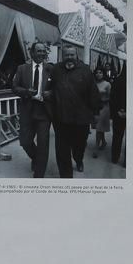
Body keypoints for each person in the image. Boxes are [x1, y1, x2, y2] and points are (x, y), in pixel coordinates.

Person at [49, 45, 101, 177]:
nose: (69, 58)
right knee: (62, 149)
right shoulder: (56, 70)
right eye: (67, 55)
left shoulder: (85, 70)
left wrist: (96, 113)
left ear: (76, 56)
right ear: (63, 56)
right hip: (61, 117)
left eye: (72, 55)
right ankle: (66, 177)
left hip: (81, 118)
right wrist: (49, 93)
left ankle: (78, 159)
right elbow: (49, 87)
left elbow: (93, 93)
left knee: (79, 144)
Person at [11, 42, 52, 178]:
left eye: (43, 51)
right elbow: (15, 87)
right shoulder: (22, 69)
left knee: (43, 144)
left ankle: (39, 174)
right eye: (38, 51)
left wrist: (51, 93)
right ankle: (35, 157)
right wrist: (26, 92)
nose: (41, 54)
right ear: (32, 53)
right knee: (25, 141)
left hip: (44, 111)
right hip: (27, 109)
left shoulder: (50, 69)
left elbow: (58, 87)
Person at [110, 61, 127, 165]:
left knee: (117, 137)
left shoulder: (117, 80)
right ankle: (125, 161)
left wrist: (117, 111)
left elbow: (112, 99)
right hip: (121, 113)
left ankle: (115, 158)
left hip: (119, 113)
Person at [92, 67, 111, 156]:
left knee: (99, 127)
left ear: (103, 74)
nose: (98, 74)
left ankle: (96, 148)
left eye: (100, 72)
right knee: (99, 128)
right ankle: (103, 142)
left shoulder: (107, 84)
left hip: (104, 107)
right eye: (97, 72)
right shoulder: (93, 83)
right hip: (95, 107)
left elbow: (111, 97)